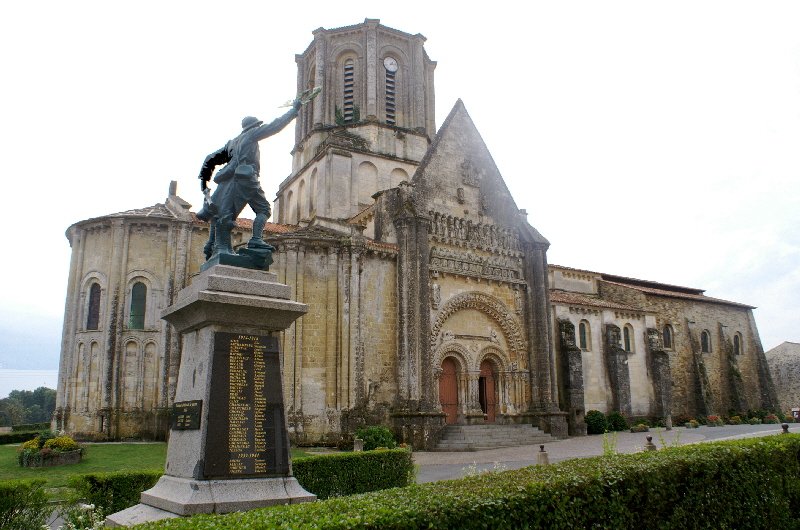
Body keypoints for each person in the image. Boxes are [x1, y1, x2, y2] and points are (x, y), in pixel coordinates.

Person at [197, 88, 319, 259]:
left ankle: (216, 246)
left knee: (222, 211)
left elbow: (210, 158)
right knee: (262, 209)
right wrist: (294, 110)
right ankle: (249, 241)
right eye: (258, 126)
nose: (260, 128)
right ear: (254, 126)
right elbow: (275, 126)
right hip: (247, 178)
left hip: (231, 180)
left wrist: (204, 178)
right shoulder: (251, 134)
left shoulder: (231, 143)